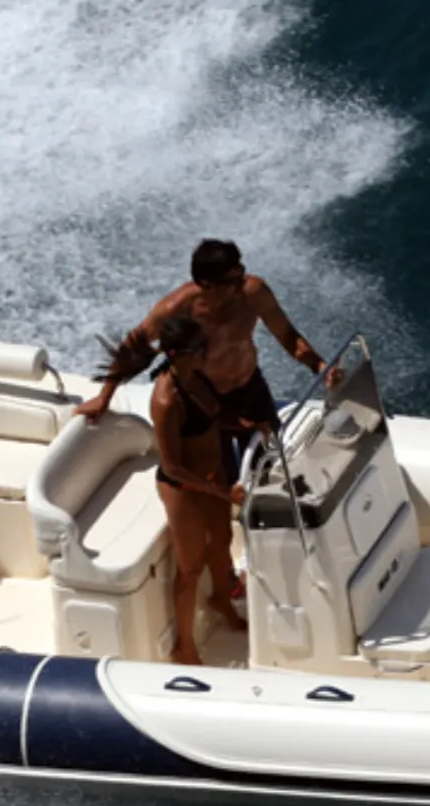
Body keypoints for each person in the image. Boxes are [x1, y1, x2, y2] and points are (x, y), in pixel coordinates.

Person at [76, 238, 342, 483]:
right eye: (232, 281)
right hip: (205, 402)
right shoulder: (176, 309)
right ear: (206, 284)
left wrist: (320, 367)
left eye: (241, 273)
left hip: (250, 388)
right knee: (219, 474)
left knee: (271, 459)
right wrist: (104, 398)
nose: (241, 284)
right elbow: (132, 348)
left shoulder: (253, 293)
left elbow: (287, 335)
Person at [147, 316, 248, 665]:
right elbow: (172, 466)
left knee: (221, 542)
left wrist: (248, 423)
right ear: (175, 354)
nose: (205, 353)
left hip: (212, 477)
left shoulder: (198, 377)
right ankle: (184, 645)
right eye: (198, 349)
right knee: (190, 567)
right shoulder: (166, 401)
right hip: (184, 488)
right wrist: (221, 492)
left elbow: (212, 420)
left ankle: (222, 601)